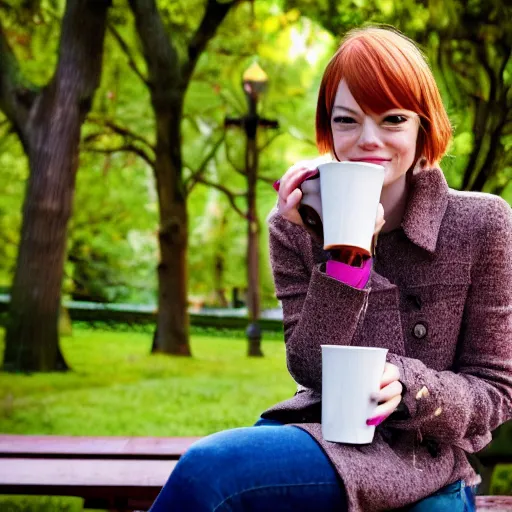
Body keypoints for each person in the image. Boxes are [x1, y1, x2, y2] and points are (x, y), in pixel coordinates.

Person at [149, 26, 512, 512]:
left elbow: (496, 390)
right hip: (328, 442)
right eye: (347, 120)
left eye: (392, 119)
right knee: (209, 470)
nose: (368, 140)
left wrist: (409, 386)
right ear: (328, 128)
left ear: (423, 127)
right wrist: (346, 253)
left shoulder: (482, 222)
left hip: (429, 459)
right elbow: (309, 368)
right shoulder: (295, 224)